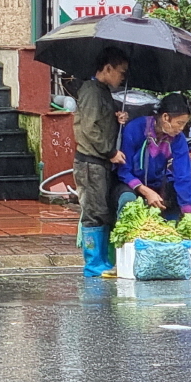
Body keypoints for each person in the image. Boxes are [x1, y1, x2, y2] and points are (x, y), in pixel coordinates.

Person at [72, 47, 128, 277]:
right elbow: (89, 129)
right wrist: (110, 151)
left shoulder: (103, 92)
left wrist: (118, 118)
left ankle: (103, 262)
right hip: (91, 163)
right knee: (94, 212)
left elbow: (100, 121)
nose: (123, 77)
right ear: (107, 68)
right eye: (121, 72)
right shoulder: (92, 92)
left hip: (99, 164)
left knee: (103, 211)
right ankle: (94, 265)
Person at [115, 93, 191, 220]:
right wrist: (146, 191)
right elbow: (124, 171)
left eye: (184, 124)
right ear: (165, 117)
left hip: (161, 185)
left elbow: (183, 175)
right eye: (179, 123)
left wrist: (188, 211)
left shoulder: (178, 138)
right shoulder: (135, 128)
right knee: (127, 199)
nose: (181, 129)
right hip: (132, 185)